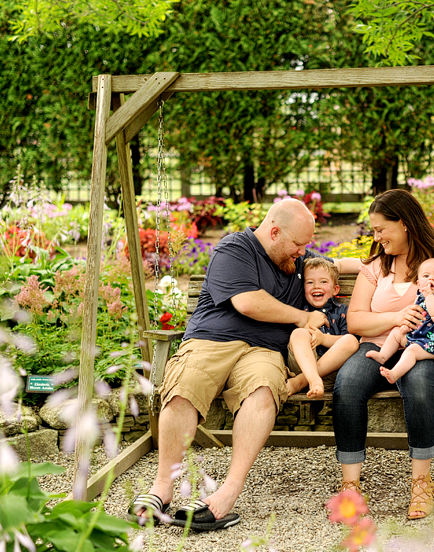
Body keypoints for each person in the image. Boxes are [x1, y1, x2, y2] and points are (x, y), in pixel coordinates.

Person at [128, 199, 358, 531]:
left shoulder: (297, 261)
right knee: (184, 387)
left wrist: (374, 264)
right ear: (275, 232)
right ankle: (162, 488)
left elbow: (334, 263)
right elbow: (249, 302)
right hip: (212, 339)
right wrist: (303, 317)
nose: (303, 251)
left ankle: (226, 494)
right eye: (298, 244)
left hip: (263, 349)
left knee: (264, 389)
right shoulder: (235, 248)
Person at [332, 189, 434, 520]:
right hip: (380, 344)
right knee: (348, 382)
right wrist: (394, 319)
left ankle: (421, 483)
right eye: (374, 230)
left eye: (382, 228)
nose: (376, 236)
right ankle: (350, 487)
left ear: (406, 223)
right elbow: (355, 320)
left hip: (429, 348)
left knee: (419, 381)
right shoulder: (378, 264)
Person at [365, 257, 434, 384]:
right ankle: (383, 356)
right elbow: (418, 317)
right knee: (396, 332)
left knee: (411, 351)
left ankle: (394, 373)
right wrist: (408, 327)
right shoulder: (421, 297)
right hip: (417, 337)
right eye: (426, 276)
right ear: (419, 284)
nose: (431, 279)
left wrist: (430, 296)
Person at [285, 257, 360, 399]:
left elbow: (353, 342)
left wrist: (324, 339)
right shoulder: (300, 311)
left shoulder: (343, 312)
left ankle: (302, 382)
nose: (316, 286)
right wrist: (307, 327)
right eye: (310, 282)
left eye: (323, 281)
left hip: (331, 370)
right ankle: (312, 379)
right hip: (302, 365)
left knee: (350, 340)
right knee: (299, 333)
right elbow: (294, 342)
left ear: (335, 289)